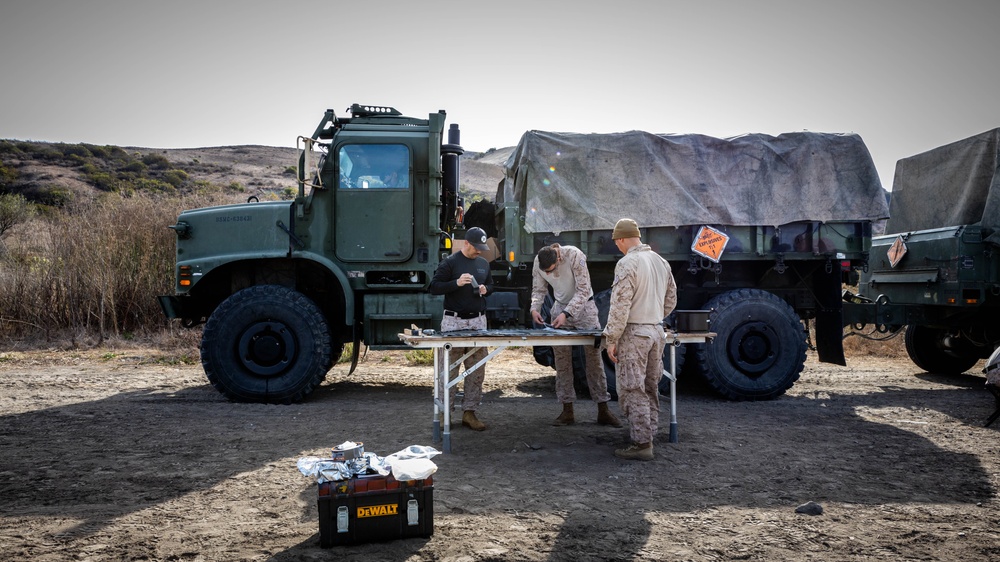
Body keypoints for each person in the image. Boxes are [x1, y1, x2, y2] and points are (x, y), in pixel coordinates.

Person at [602, 218, 677, 460]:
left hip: (635, 334)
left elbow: (620, 306)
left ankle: (642, 443)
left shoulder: (627, 263)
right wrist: (654, 316)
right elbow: (671, 298)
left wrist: (611, 338)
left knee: (632, 388)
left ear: (621, 239)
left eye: (617, 242)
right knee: (650, 386)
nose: (617, 246)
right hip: (656, 331)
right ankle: (649, 433)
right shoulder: (660, 261)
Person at [530, 243, 622, 428]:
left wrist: (567, 313)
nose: (548, 274)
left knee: (594, 361)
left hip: (585, 310)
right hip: (560, 308)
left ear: (558, 258)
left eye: (551, 270)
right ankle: (567, 411)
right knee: (562, 362)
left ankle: (603, 410)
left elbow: (583, 290)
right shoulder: (539, 262)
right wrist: (534, 308)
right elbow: (539, 290)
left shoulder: (575, 256)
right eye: (545, 272)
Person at [429, 227, 494, 431]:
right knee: (447, 370)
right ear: (466, 243)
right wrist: (456, 283)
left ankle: (470, 413)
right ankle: (444, 413)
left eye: (482, 248)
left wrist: (486, 289)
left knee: (477, 369)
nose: (479, 251)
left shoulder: (483, 264)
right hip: (453, 323)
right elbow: (434, 287)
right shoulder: (450, 262)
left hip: (478, 322)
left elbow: (491, 286)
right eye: (476, 247)